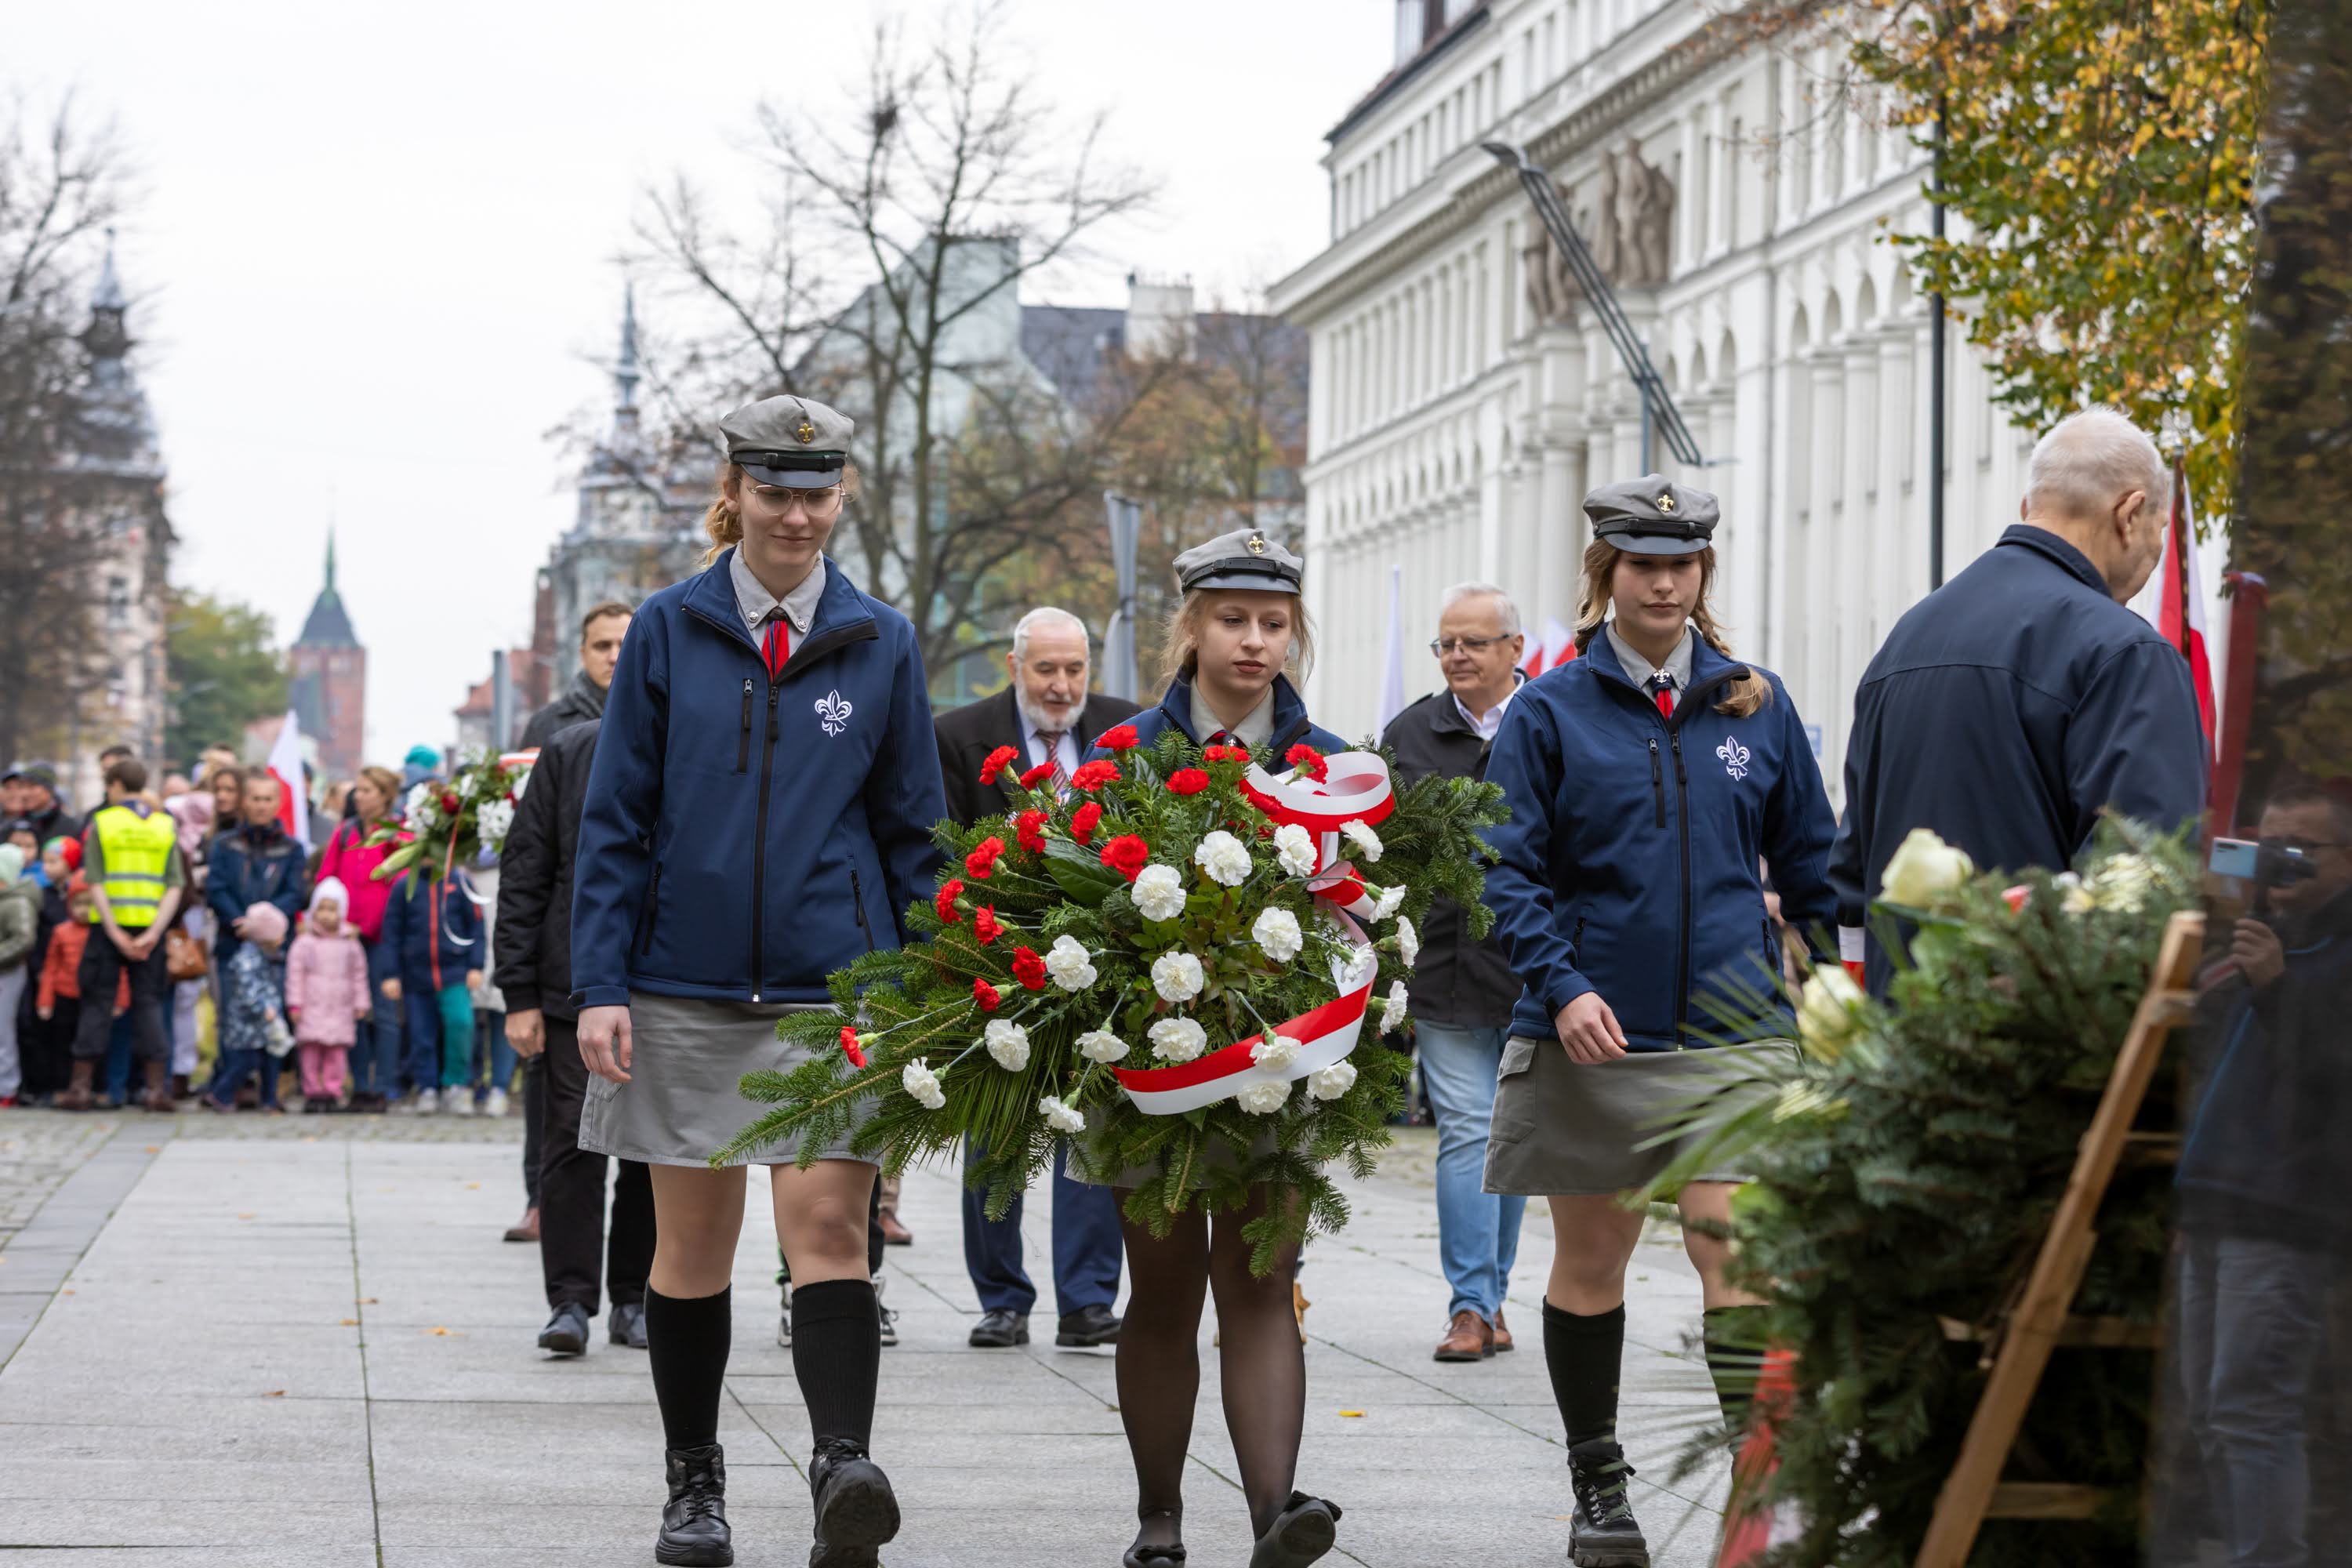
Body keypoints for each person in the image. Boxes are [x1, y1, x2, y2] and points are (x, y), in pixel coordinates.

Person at [571, 392, 946, 1568]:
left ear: (842, 498)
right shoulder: (671, 631)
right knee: (689, 1247)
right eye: (774, 490)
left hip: (836, 989)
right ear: (734, 494)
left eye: (816, 491)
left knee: (829, 1223)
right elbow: (617, 817)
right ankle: (696, 1485)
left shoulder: (880, 638)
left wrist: (929, 983)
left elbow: (914, 830)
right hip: (680, 983)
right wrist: (599, 982)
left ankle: (843, 1466)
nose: (795, 513)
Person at [1480, 476, 1839, 1568]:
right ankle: (1599, 1484)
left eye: (1683, 564)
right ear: (1607, 576)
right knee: (1595, 1263)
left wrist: (1817, 976)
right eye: (1645, 564)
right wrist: (1563, 984)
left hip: (1736, 1035)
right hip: (1597, 1032)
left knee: (1737, 1257)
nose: (1666, 583)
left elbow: (1813, 859)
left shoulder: (1755, 704)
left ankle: (1758, 1490)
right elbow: (1503, 872)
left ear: (1703, 574)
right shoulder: (1549, 711)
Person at [1073, 527, 1349, 1568]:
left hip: (1283, 1074)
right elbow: (1085, 913)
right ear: (1190, 627)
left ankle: (1276, 1513)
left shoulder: (1328, 766)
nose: (1254, 642)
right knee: (1166, 1286)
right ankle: (1159, 1515)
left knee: (1262, 1281)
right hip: (1156, 1070)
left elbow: (1361, 918)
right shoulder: (1125, 755)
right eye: (1232, 620)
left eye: (1274, 623)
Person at [1828, 407, 2207, 991]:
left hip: (1900, 1045)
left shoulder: (1906, 638)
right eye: (2159, 535)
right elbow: (2146, 891)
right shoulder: (2126, 652)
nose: (2152, 562)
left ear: (2031, 509)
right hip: (2042, 1051)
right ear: (2130, 515)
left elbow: (1853, 875)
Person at [931, 604, 1138, 1350]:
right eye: (1045, 669)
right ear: (1015, 667)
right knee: (998, 1130)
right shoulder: (957, 737)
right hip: (997, 961)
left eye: (1074, 669)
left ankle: (1087, 1302)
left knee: (1091, 1128)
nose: (1060, 686)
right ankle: (1002, 1299)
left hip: (1102, 964)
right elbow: (942, 851)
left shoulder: (1127, 729)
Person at [2172, 784, 2352, 1568]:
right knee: (2212, 1412)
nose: (2280, 861)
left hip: (2283, 1212)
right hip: (2215, 1203)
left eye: (2301, 848)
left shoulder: (2326, 954)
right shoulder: (2253, 939)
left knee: (2254, 1410)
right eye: (2267, 842)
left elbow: (2336, 1075)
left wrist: (2279, 986)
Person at [1379, 582, 1531, 1363]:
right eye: (1447, 643)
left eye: (1474, 641)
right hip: (1441, 966)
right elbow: (1381, 854)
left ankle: (1495, 1294)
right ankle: (1471, 1304)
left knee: (1513, 1137)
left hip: (1538, 969)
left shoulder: (1554, 722)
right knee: (1468, 1130)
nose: (1458, 656)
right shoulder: (1410, 734)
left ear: (1516, 648)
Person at [497, 716, 655, 1356]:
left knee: (653, 1153)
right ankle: (569, 1301)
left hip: (664, 980)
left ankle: (636, 1298)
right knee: (569, 1146)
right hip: (571, 985)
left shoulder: (693, 737)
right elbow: (526, 871)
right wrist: (519, 994)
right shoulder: (570, 750)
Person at [60, 758, 186, 1113]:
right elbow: (175, 884)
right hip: (150, 928)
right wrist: (153, 932)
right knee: (149, 1006)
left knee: (98, 1005)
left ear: (115, 785)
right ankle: (155, 1091)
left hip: (107, 929)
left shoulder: (103, 823)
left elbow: (95, 881)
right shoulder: (164, 826)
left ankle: (81, 1088)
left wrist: (114, 931)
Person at [318, 766, 406, 1110]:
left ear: (385, 796)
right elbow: (327, 879)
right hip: (344, 940)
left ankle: (383, 1088)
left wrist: (366, 925)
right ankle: (360, 1085)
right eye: (358, 789)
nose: (359, 795)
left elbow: (396, 891)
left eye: (368, 790)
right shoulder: (346, 833)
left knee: (384, 1014)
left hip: (382, 939)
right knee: (350, 1013)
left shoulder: (398, 835)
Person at [378, 867, 481, 1114]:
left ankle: (455, 1084)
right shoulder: (405, 885)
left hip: (454, 971)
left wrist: (476, 965)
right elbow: (392, 932)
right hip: (416, 974)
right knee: (421, 1034)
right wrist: (390, 973)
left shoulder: (461, 882)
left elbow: (476, 925)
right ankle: (427, 1088)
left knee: (461, 1024)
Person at [285, 877, 370, 1112]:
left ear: (341, 912)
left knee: (336, 1055)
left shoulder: (350, 944)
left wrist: (360, 1002)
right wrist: (295, 1004)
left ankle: (333, 1091)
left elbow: (358, 975)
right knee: (310, 1054)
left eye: (332, 909)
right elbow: (295, 975)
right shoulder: (304, 942)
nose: (325, 915)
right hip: (312, 1006)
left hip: (339, 1008)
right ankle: (312, 1092)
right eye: (320, 908)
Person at [207, 901, 292, 1112]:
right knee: (243, 1063)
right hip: (247, 1027)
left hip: (264, 1027)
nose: (283, 939)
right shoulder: (247, 959)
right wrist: (264, 1008)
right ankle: (220, 1094)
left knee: (270, 1061)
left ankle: (269, 1100)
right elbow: (248, 991)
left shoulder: (266, 957)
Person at [523, 601, 632, 751]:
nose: (614, 657)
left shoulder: (663, 717)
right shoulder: (545, 724)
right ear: (583, 654)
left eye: (626, 645)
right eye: (602, 646)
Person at [0, 844, 37, 1106]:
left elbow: (23, 938)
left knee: (3, 1031)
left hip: (8, 972)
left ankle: (7, 1087)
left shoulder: (17, 901)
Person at [16, 765, 82, 848]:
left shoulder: (70, 827)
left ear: (49, 790)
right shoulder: (14, 824)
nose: (24, 793)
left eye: (31, 786)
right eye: (22, 787)